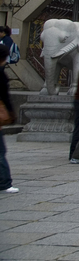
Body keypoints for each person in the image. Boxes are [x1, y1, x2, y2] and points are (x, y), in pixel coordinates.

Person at [0, 44, 16, 193]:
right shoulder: (1, 74)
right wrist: (11, 112)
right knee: (0, 152)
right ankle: (5, 183)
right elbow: (5, 97)